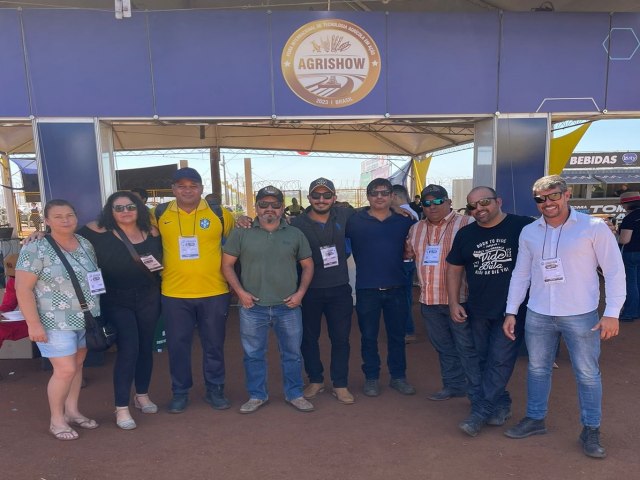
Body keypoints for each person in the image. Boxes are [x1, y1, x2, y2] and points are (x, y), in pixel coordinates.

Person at [503, 175, 625, 459]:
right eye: (540, 199)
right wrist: (511, 311)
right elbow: (520, 274)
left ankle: (591, 429)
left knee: (587, 374)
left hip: (581, 314)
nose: (548, 203)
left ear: (567, 194)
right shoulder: (530, 232)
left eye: (553, 196)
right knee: (537, 369)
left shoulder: (593, 227)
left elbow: (615, 271)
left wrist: (612, 313)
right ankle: (535, 419)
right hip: (538, 313)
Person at [446, 186, 533, 437]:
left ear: (498, 200)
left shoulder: (523, 226)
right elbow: (453, 268)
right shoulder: (466, 234)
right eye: (472, 206)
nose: (478, 209)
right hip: (478, 308)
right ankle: (502, 403)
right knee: (483, 359)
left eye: (484, 202)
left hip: (514, 310)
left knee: (500, 359)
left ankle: (480, 412)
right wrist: (454, 302)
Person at [221, 186, 315, 414]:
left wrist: (300, 293)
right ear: (256, 207)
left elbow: (308, 265)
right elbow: (226, 265)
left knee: (292, 354)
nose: (269, 209)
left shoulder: (294, 234)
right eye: (263, 205)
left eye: (274, 205)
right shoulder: (241, 232)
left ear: (282, 208)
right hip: (252, 307)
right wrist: (241, 293)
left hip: (288, 306)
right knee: (253, 355)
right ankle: (257, 395)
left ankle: (295, 394)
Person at [15, 199, 100, 440]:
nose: (65, 220)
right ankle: (57, 419)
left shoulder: (84, 243)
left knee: (78, 366)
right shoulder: (35, 248)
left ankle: (72, 411)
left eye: (70, 215)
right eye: (58, 216)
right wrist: (33, 323)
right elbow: (23, 289)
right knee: (65, 369)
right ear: (48, 221)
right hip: (53, 321)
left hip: (85, 318)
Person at [153, 167, 235, 413]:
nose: (187, 190)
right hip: (174, 293)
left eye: (193, 186)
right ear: (173, 189)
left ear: (201, 188)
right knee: (178, 346)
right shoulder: (158, 213)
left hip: (214, 291)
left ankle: (215, 389)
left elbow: (235, 244)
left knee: (214, 344)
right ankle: (180, 392)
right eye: (181, 186)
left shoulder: (220, 214)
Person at [77, 191, 162, 430]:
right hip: (116, 299)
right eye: (119, 207)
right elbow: (66, 240)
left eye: (130, 206)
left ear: (139, 208)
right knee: (129, 349)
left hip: (148, 297)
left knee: (146, 347)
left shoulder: (152, 231)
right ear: (110, 210)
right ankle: (121, 407)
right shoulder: (95, 231)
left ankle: (142, 394)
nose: (125, 211)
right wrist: (43, 234)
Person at [406, 184, 479, 401]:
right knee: (443, 347)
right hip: (429, 300)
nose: (432, 206)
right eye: (426, 203)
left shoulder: (468, 223)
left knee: (467, 347)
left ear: (448, 202)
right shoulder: (416, 228)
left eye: (438, 201)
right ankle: (453, 385)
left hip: (460, 300)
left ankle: (477, 391)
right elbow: (408, 254)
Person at [346, 178, 417, 397]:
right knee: (368, 336)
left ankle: (398, 377)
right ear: (367, 196)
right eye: (374, 193)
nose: (379, 197)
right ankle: (372, 378)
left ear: (391, 196)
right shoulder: (354, 220)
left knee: (397, 336)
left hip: (397, 287)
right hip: (367, 289)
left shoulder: (405, 221)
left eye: (384, 193)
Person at [292, 178, 356, 405]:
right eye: (316, 195)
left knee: (340, 339)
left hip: (339, 289)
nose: (321, 200)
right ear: (308, 198)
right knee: (308, 338)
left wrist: (400, 208)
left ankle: (340, 384)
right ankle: (316, 379)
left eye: (326, 195)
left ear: (334, 198)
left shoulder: (344, 215)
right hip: (309, 291)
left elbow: (374, 210)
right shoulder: (296, 224)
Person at [391, 184, 419, 343]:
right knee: (404, 296)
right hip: (406, 261)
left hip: (403, 261)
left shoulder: (405, 214)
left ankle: (407, 330)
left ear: (394, 196)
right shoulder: (410, 212)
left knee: (401, 298)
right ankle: (406, 329)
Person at [617, 190, 640, 322]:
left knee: (630, 283)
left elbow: (624, 240)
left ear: (627, 205)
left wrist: (616, 235)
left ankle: (630, 312)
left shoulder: (629, 218)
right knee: (638, 281)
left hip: (631, 254)